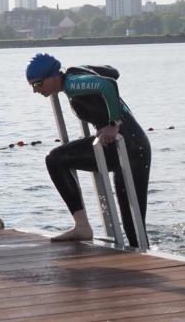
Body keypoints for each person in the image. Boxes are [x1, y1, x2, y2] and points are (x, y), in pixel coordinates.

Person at [27, 53, 151, 246]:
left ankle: (83, 227)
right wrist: (89, 73)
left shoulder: (73, 84)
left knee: (55, 159)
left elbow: (108, 84)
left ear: (52, 76)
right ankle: (83, 227)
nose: (36, 91)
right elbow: (113, 71)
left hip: (130, 147)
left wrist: (113, 123)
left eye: (37, 84)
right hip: (126, 146)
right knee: (133, 227)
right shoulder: (76, 75)